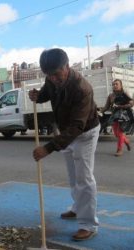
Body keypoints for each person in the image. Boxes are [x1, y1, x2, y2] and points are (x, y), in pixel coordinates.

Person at [29, 48, 100, 241]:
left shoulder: (82, 88)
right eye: (48, 75)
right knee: (72, 175)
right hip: (66, 131)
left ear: (67, 67)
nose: (52, 79)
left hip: (84, 133)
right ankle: (77, 208)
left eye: (56, 74)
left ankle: (88, 224)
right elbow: (47, 92)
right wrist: (38, 95)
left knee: (84, 178)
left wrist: (48, 148)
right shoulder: (52, 77)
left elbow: (78, 126)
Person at [101, 79, 133, 156]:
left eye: (116, 84)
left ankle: (119, 150)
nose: (115, 86)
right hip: (114, 115)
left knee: (120, 132)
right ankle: (126, 141)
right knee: (116, 134)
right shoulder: (111, 96)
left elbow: (131, 103)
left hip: (124, 115)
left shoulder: (125, 93)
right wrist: (100, 112)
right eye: (113, 84)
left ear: (121, 85)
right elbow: (106, 107)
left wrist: (121, 106)